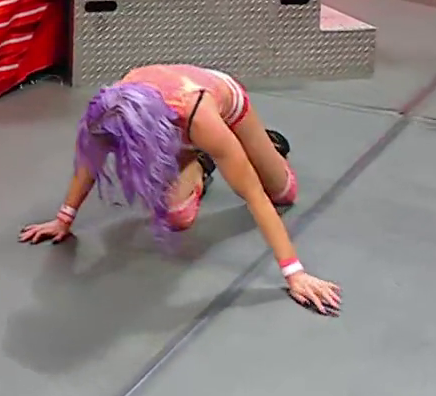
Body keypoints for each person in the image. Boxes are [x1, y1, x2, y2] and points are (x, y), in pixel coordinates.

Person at [18, 64, 342, 314]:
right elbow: (90, 161)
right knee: (176, 217)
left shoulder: (200, 118)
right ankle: (200, 160)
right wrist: (64, 218)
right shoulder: (109, 112)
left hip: (216, 104)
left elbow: (253, 194)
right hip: (172, 125)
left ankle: (257, 146)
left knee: (282, 193)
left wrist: (295, 274)